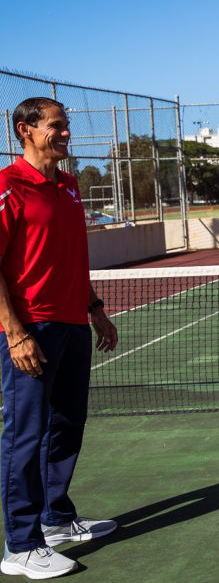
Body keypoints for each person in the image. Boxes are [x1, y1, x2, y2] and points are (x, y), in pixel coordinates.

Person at [0, 97, 120, 579]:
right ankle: (21, 544)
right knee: (25, 435)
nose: (67, 133)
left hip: (72, 323)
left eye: (67, 124)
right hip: (31, 329)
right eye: (57, 126)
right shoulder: (9, 187)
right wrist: (15, 333)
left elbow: (71, 257)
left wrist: (95, 310)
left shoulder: (69, 186)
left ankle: (55, 519)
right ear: (26, 130)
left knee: (67, 424)